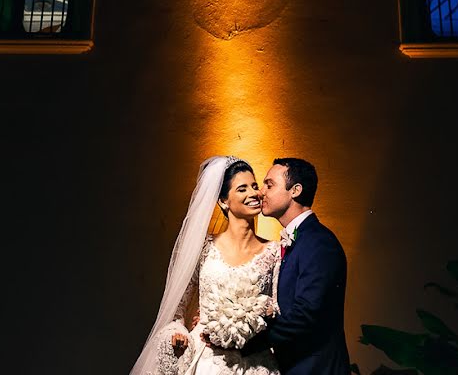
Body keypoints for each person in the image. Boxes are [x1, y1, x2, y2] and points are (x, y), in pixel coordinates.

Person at [131, 156, 281, 375]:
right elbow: (176, 311)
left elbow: (278, 309)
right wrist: (177, 332)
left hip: (255, 362)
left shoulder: (274, 251)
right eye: (242, 189)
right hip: (205, 360)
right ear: (223, 201)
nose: (253, 193)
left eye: (254, 186)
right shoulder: (204, 248)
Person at [258, 158, 351, 375]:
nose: (262, 192)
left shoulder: (320, 242)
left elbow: (305, 315)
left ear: (295, 190)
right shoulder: (294, 241)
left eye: (269, 185)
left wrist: (247, 342)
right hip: (292, 365)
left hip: (315, 368)